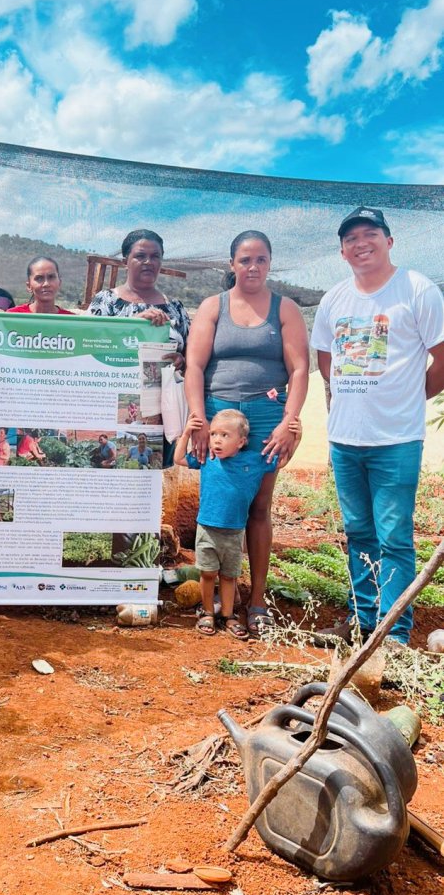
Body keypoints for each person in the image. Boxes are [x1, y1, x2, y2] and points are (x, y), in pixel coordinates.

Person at [311, 207, 444, 646]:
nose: (360, 243)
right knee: (358, 533)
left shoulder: (418, 290)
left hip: (396, 440)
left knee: (395, 537)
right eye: (351, 238)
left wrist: (409, 396)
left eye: (370, 234)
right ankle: (362, 619)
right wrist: (342, 398)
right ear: (342, 250)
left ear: (389, 241)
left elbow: (442, 359)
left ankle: (394, 633)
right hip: (345, 439)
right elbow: (325, 357)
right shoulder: (334, 298)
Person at [184, 230, 309, 636]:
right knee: (220, 501)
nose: (252, 267)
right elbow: (195, 368)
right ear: (231, 264)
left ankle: (255, 601)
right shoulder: (212, 306)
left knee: (259, 506)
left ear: (270, 263)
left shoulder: (284, 309)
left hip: (266, 415)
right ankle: (215, 600)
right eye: (244, 260)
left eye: (260, 260)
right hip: (219, 416)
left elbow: (300, 370)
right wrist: (200, 420)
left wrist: (289, 422)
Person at [175, 410, 281, 639]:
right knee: (208, 573)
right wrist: (186, 433)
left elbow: (279, 461)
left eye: (225, 435)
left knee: (229, 575)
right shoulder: (207, 458)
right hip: (207, 528)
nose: (217, 440)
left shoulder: (253, 461)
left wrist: (297, 436)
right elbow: (179, 459)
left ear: (241, 442)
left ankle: (228, 615)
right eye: (214, 434)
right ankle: (206, 612)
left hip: (235, 531)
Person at [88, 229, 190, 356]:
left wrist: (181, 361)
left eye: (155, 256)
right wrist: (134, 324)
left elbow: (192, 356)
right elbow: (89, 345)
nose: (148, 262)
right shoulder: (106, 301)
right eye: (140, 256)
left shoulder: (176, 308)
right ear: (125, 262)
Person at [7, 257, 73, 314]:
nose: (46, 284)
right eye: (39, 278)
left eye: (51, 277)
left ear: (59, 283)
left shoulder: (72, 321)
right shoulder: (13, 317)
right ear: (29, 286)